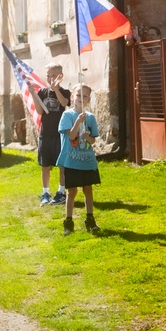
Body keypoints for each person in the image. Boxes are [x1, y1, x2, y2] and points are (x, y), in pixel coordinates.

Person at [57, 84, 101, 236]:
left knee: (88, 189)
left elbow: (93, 140)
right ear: (72, 97)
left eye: (85, 96)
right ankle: (68, 222)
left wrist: (87, 136)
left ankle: (90, 220)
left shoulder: (90, 117)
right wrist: (78, 122)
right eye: (78, 95)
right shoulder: (67, 116)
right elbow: (70, 136)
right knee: (72, 191)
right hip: (72, 160)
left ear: (89, 100)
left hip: (87, 160)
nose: (81, 99)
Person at [32, 63, 70, 206]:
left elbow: (64, 103)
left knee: (62, 165)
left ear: (60, 76)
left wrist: (56, 89)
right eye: (48, 76)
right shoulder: (43, 92)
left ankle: (61, 192)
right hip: (45, 134)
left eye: (53, 76)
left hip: (59, 134)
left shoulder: (65, 92)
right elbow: (40, 111)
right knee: (45, 165)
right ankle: (45, 192)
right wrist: (34, 95)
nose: (50, 79)